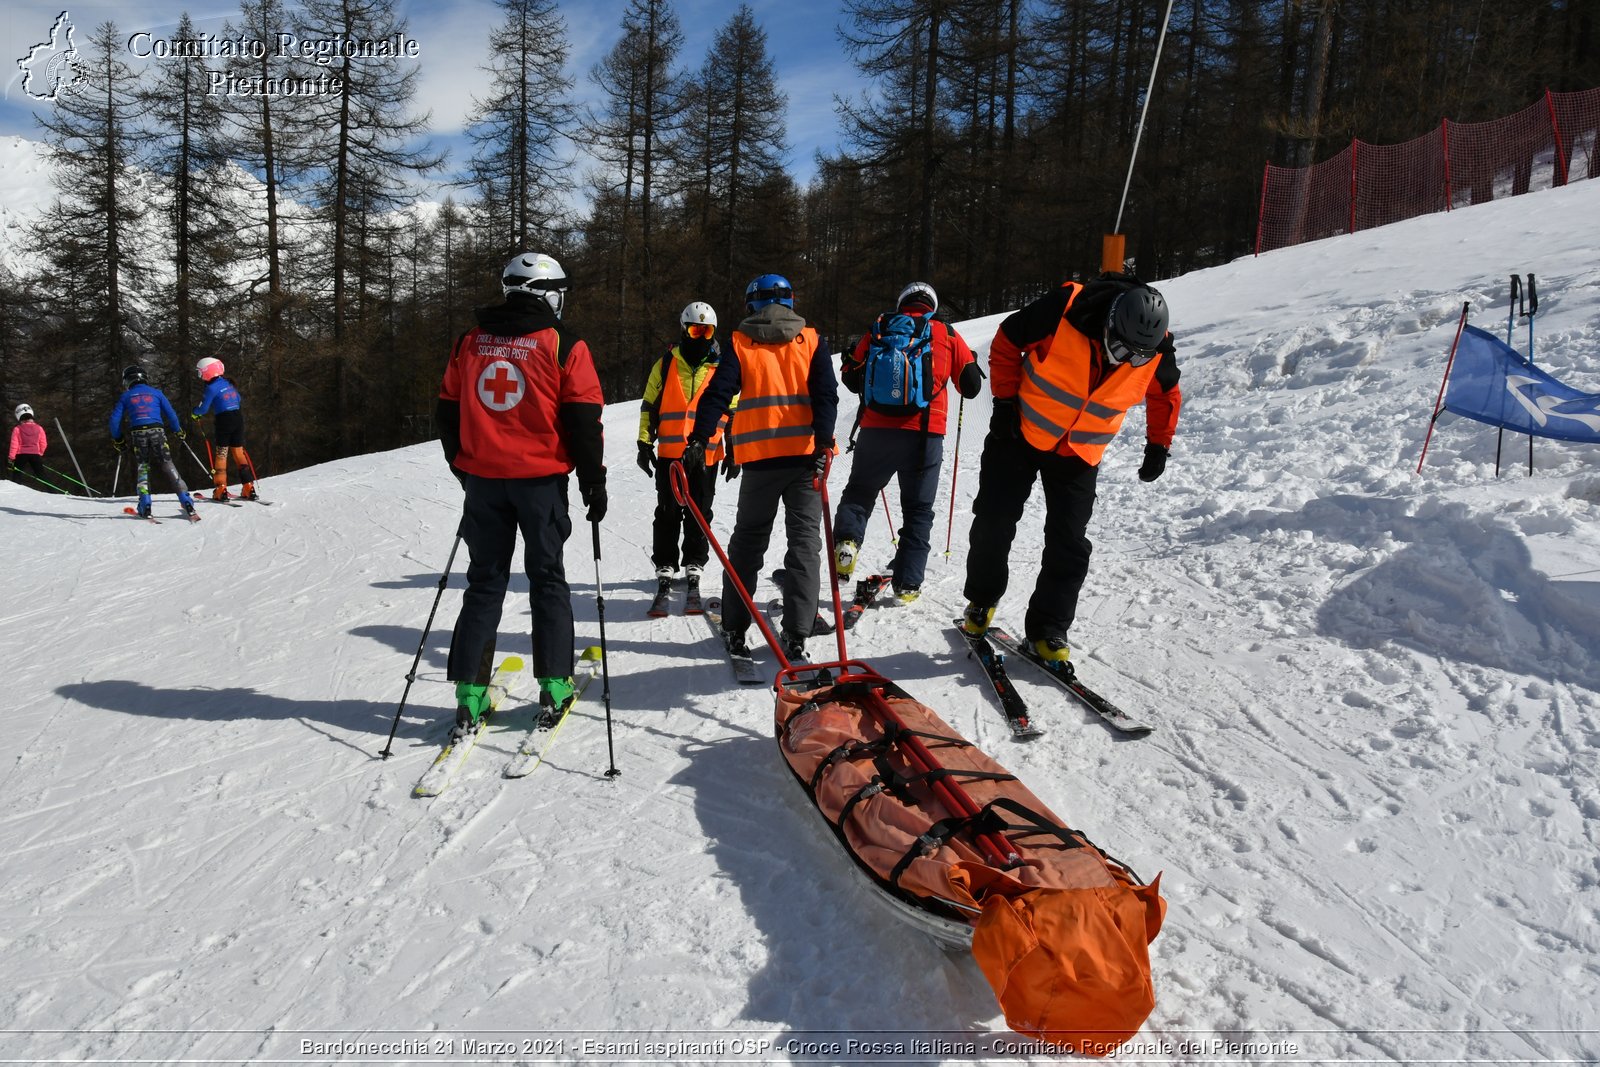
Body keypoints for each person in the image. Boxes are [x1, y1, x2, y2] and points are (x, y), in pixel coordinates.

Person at [960, 274, 1181, 669]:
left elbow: (1165, 393)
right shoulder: (1066, 308)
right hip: (1019, 432)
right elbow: (1008, 340)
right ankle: (982, 598)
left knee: (1069, 543)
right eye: (1120, 349)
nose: (1127, 361)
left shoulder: (1154, 347)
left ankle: (1048, 630)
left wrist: (1158, 444)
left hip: (1080, 452)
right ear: (1108, 323)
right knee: (994, 520)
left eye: (1138, 357)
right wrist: (1006, 403)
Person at [437, 251, 606, 739]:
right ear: (549, 293)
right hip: (539, 483)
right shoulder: (562, 344)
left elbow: (447, 410)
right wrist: (593, 480)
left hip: (484, 482)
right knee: (547, 579)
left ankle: (469, 695)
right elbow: (582, 420)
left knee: (484, 582)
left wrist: (462, 466)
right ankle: (554, 687)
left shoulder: (469, 342)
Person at [685, 273, 838, 662]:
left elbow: (718, 393)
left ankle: (735, 627)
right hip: (805, 460)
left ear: (751, 303)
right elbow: (826, 395)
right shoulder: (811, 339)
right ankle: (798, 632)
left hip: (760, 462)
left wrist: (700, 438)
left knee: (748, 543)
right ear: (790, 300)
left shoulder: (740, 343)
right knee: (804, 546)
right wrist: (823, 442)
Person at [833, 281, 983, 602]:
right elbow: (970, 388)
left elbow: (849, 377)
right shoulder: (948, 334)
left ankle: (847, 543)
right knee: (918, 510)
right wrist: (967, 361)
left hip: (876, 431)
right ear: (932, 304)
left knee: (860, 491)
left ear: (902, 303)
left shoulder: (880, 326)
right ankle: (908, 584)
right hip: (925, 436)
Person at [637, 301, 736, 607]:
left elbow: (733, 412)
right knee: (667, 511)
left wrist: (733, 449)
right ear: (684, 330)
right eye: (695, 330)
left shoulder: (722, 368)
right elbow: (649, 406)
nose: (700, 337)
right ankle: (665, 562)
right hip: (670, 452)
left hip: (705, 454)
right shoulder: (666, 364)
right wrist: (644, 443)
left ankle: (695, 560)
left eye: (707, 331)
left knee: (700, 512)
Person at [109, 365, 198, 520]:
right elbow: (171, 415)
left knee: (143, 467)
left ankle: (145, 504)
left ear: (127, 381)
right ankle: (185, 500)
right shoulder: (157, 393)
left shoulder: (126, 396)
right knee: (167, 464)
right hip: (158, 431)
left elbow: (114, 421)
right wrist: (178, 431)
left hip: (138, 433)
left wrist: (118, 440)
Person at [190, 357, 258, 501]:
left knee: (222, 453)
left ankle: (221, 489)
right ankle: (248, 486)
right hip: (238, 418)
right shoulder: (228, 383)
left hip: (224, 420)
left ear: (208, 372)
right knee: (239, 452)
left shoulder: (211, 388)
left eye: (201, 373)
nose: (200, 376)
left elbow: (203, 408)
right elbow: (238, 399)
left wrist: (194, 413)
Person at [8, 403, 48, 484]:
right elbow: (43, 443)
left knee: (17, 475)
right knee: (42, 475)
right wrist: (40, 452)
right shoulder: (39, 428)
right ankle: (52, 492)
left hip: (21, 455)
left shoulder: (17, 429)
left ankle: (14, 493)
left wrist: (11, 458)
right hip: (35, 454)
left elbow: (14, 445)